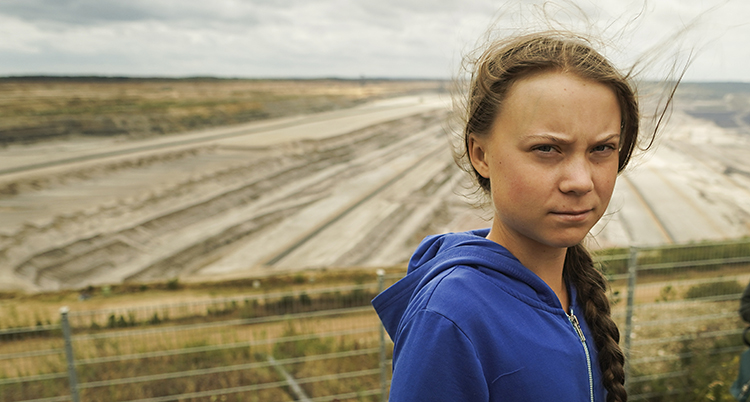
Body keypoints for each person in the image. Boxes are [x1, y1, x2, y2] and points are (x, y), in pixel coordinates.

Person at [372, 29, 656, 402]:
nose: (580, 181)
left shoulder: (574, 291)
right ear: (481, 154)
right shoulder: (450, 317)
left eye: (602, 148)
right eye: (546, 148)